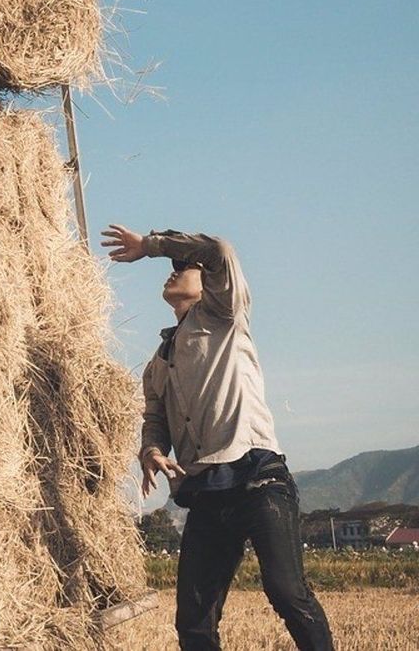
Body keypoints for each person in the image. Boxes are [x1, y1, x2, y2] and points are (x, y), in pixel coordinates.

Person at [101, 224, 334, 651]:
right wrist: (151, 449)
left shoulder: (224, 315)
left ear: (207, 282)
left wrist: (151, 246)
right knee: (193, 621)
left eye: (185, 266)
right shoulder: (158, 363)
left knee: (287, 592)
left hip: (257, 475)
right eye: (173, 266)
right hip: (206, 489)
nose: (174, 271)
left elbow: (220, 250)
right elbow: (155, 418)